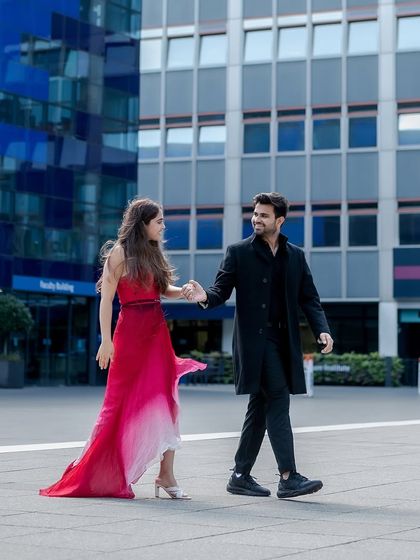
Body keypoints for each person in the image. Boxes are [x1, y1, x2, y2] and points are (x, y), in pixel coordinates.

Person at [40, 198, 206, 500]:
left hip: (156, 332)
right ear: (142, 223)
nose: (163, 226)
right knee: (117, 404)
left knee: (168, 399)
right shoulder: (118, 253)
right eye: (158, 221)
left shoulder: (154, 253)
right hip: (129, 333)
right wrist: (106, 340)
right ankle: (103, 470)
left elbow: (160, 290)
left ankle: (166, 475)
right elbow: (106, 299)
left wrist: (182, 293)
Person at [182, 192, 333, 499]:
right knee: (278, 397)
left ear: (279, 220)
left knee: (261, 405)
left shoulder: (295, 255)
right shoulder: (238, 252)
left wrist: (322, 330)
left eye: (264, 215)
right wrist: (204, 298)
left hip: (282, 340)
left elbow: (309, 298)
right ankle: (289, 476)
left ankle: (240, 474)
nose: (256, 219)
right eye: (255, 213)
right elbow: (220, 291)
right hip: (255, 342)